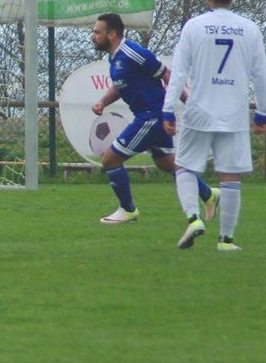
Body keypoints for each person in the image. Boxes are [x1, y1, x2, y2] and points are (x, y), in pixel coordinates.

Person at [162, 0, 266, 252]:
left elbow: (178, 72)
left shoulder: (194, 26)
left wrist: (168, 109)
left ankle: (193, 218)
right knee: (230, 175)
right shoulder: (249, 29)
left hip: (199, 110)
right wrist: (263, 113)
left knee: (184, 166)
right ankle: (226, 240)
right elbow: (261, 75)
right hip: (234, 113)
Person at [90, 13, 218, 225]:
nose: (93, 36)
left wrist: (187, 102)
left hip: (152, 116)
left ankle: (128, 209)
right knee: (167, 164)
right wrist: (103, 101)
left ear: (111, 34)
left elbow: (167, 75)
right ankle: (208, 194)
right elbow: (122, 85)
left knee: (110, 160)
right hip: (150, 115)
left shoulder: (133, 52)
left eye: (97, 32)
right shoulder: (115, 57)